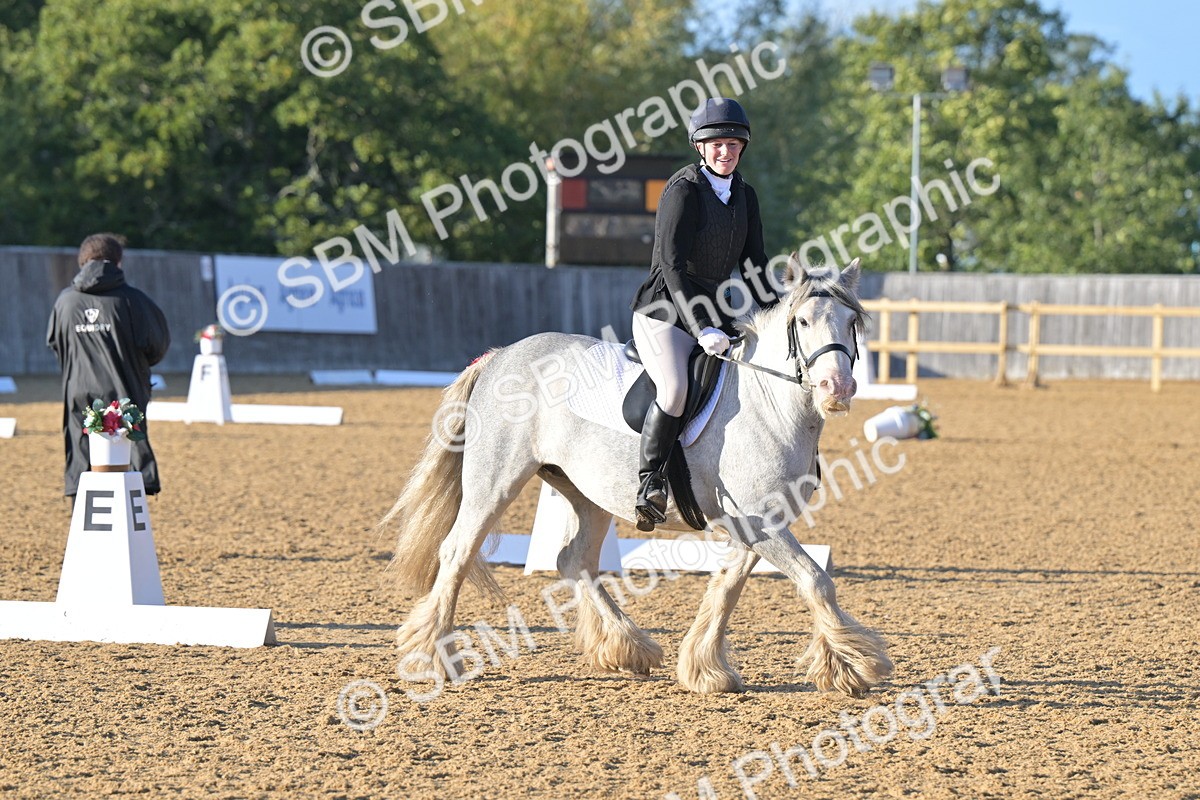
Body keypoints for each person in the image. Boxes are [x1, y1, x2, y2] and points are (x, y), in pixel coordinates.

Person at [628, 97, 781, 531]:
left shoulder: (745, 196)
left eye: (733, 144)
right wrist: (700, 328)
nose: (725, 151)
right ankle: (650, 485)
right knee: (675, 389)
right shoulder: (682, 191)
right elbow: (672, 267)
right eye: (716, 144)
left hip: (714, 309)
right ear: (700, 147)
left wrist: (776, 315)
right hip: (665, 309)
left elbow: (753, 263)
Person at [47, 233, 170, 500]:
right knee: (128, 459)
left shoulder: (65, 302)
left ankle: (83, 525)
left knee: (82, 457)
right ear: (118, 262)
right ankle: (129, 522)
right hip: (125, 389)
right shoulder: (133, 301)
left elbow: (55, 344)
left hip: (78, 392)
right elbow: (157, 345)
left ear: (82, 262)